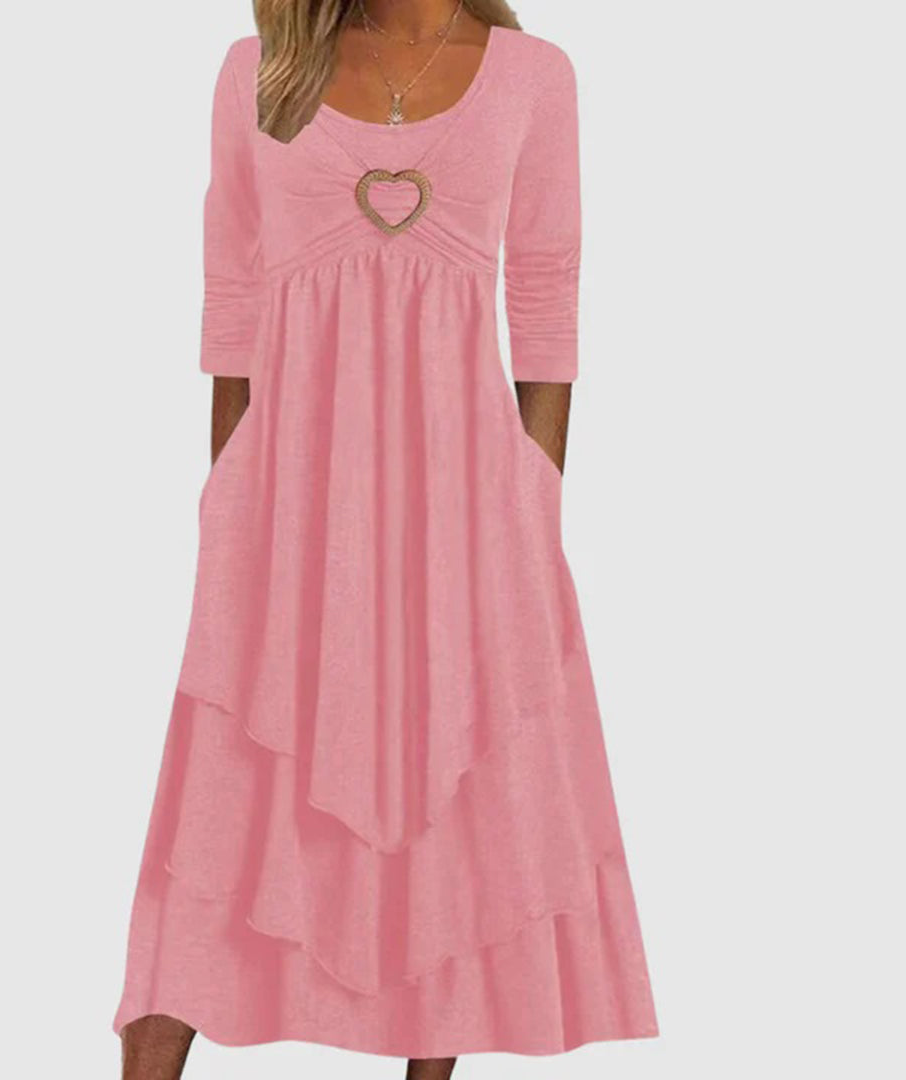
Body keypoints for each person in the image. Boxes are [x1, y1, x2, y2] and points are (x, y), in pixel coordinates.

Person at [114, 2, 658, 1076]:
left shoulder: (533, 78)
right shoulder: (260, 69)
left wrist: (532, 503)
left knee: (444, 814)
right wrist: (229, 500)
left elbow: (546, 294)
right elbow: (232, 300)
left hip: (470, 518)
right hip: (285, 512)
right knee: (219, 821)